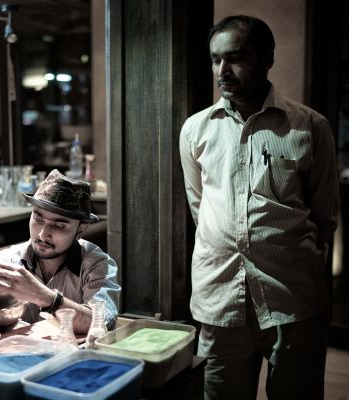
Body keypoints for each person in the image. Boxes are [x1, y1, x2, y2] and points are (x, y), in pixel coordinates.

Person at [179, 15, 339, 400]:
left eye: (235, 58)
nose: (223, 70)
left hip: (292, 299)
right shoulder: (196, 129)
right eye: (215, 59)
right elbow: (200, 207)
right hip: (220, 297)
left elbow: (325, 217)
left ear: (267, 59)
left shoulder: (309, 127)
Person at [0, 169, 120, 334]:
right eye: (38, 218)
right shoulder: (10, 260)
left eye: (59, 225)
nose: (43, 234)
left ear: (80, 230)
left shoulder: (96, 264)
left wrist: (44, 297)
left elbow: (103, 322)